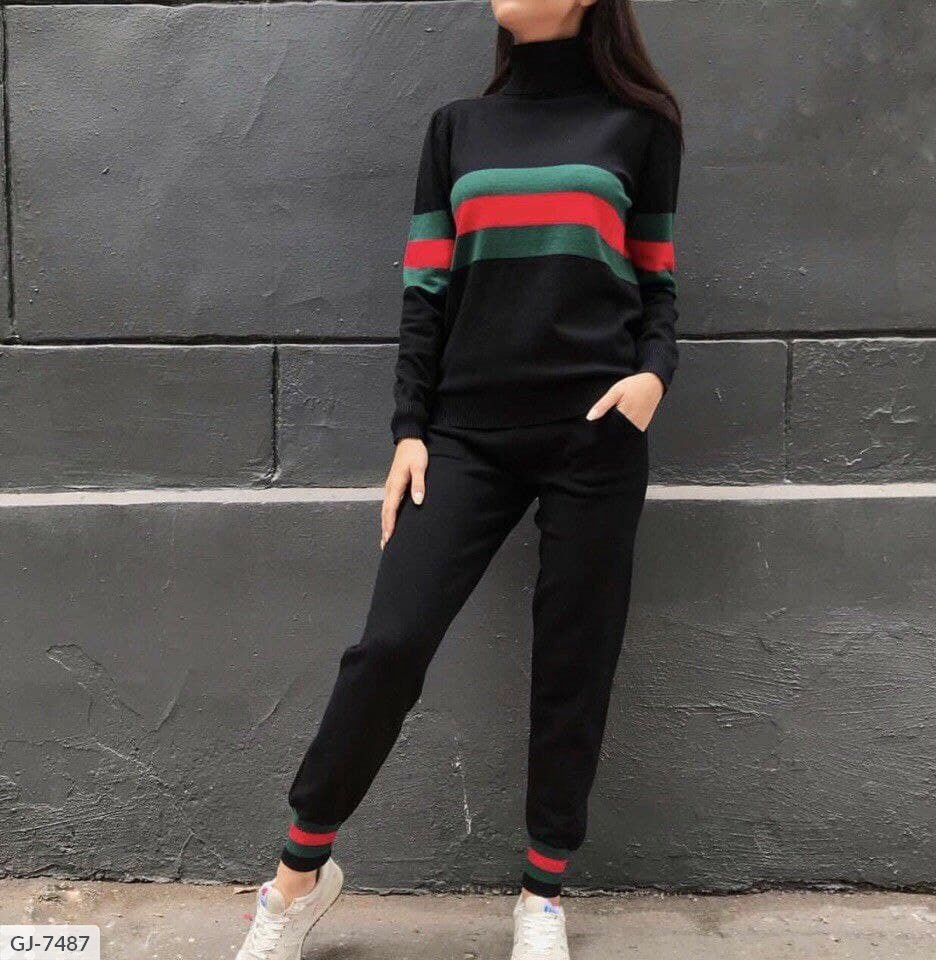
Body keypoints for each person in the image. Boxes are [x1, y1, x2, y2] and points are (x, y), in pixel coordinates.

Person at [237, 0, 681, 957]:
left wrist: (653, 376)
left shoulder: (641, 126)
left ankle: (542, 895)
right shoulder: (457, 129)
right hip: (466, 438)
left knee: (574, 663)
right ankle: (297, 879)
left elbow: (658, 283)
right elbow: (426, 289)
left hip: (596, 434)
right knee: (389, 645)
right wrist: (409, 429)